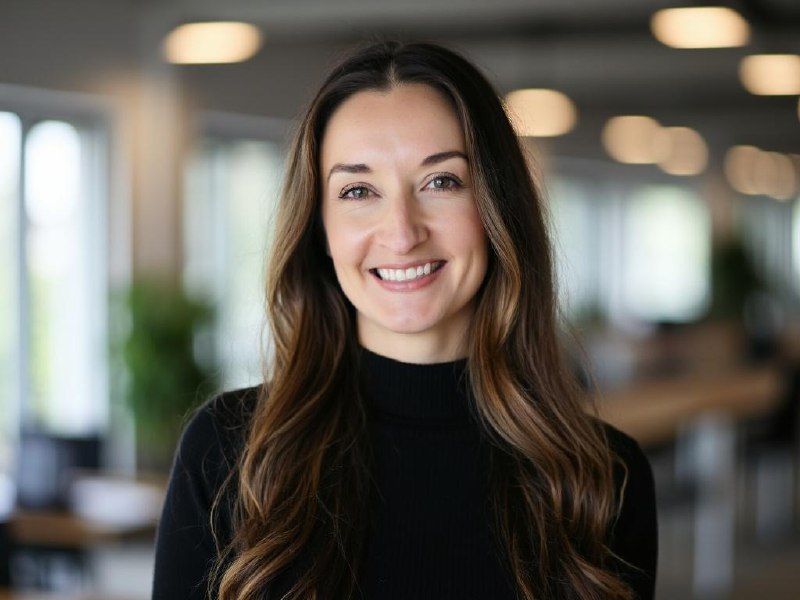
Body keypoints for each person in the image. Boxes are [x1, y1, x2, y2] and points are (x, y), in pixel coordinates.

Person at [152, 40, 657, 600]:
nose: (402, 232)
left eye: (441, 182)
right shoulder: (230, 455)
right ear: (319, 228)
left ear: (497, 209)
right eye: (358, 190)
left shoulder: (601, 478)